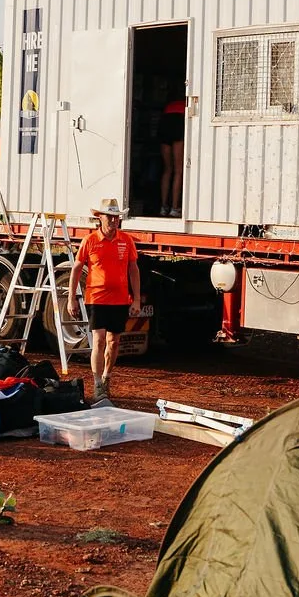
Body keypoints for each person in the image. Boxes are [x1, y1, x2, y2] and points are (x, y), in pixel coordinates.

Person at [69, 198, 142, 404]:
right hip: (96, 298)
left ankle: (106, 377)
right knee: (99, 339)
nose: (113, 220)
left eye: (116, 217)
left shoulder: (126, 240)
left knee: (114, 341)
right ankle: (97, 384)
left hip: (120, 300)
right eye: (109, 217)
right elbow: (76, 268)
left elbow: (133, 270)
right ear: (100, 218)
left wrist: (136, 299)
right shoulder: (90, 240)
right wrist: (71, 297)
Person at [159, 96, 187, 216]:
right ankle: (175, 208)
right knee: (178, 170)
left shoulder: (170, 103)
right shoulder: (189, 102)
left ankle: (164, 206)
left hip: (165, 121)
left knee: (167, 169)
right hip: (179, 121)